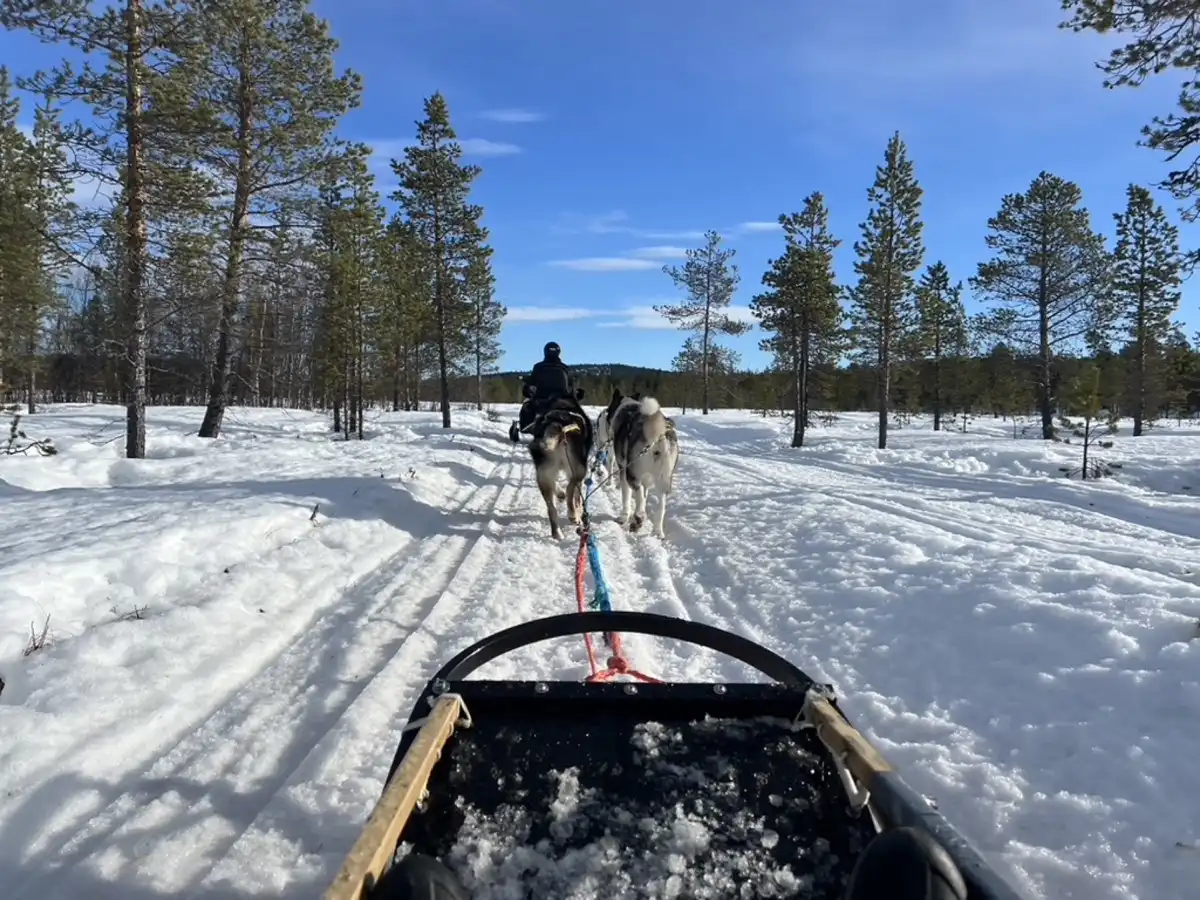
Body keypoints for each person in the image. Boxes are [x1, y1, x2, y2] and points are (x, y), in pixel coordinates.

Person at [509, 342, 580, 442]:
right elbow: (570, 384)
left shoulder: (539, 367)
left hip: (542, 398)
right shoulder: (565, 368)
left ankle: (526, 425)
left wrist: (527, 384)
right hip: (560, 400)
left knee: (528, 406)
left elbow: (532, 380)